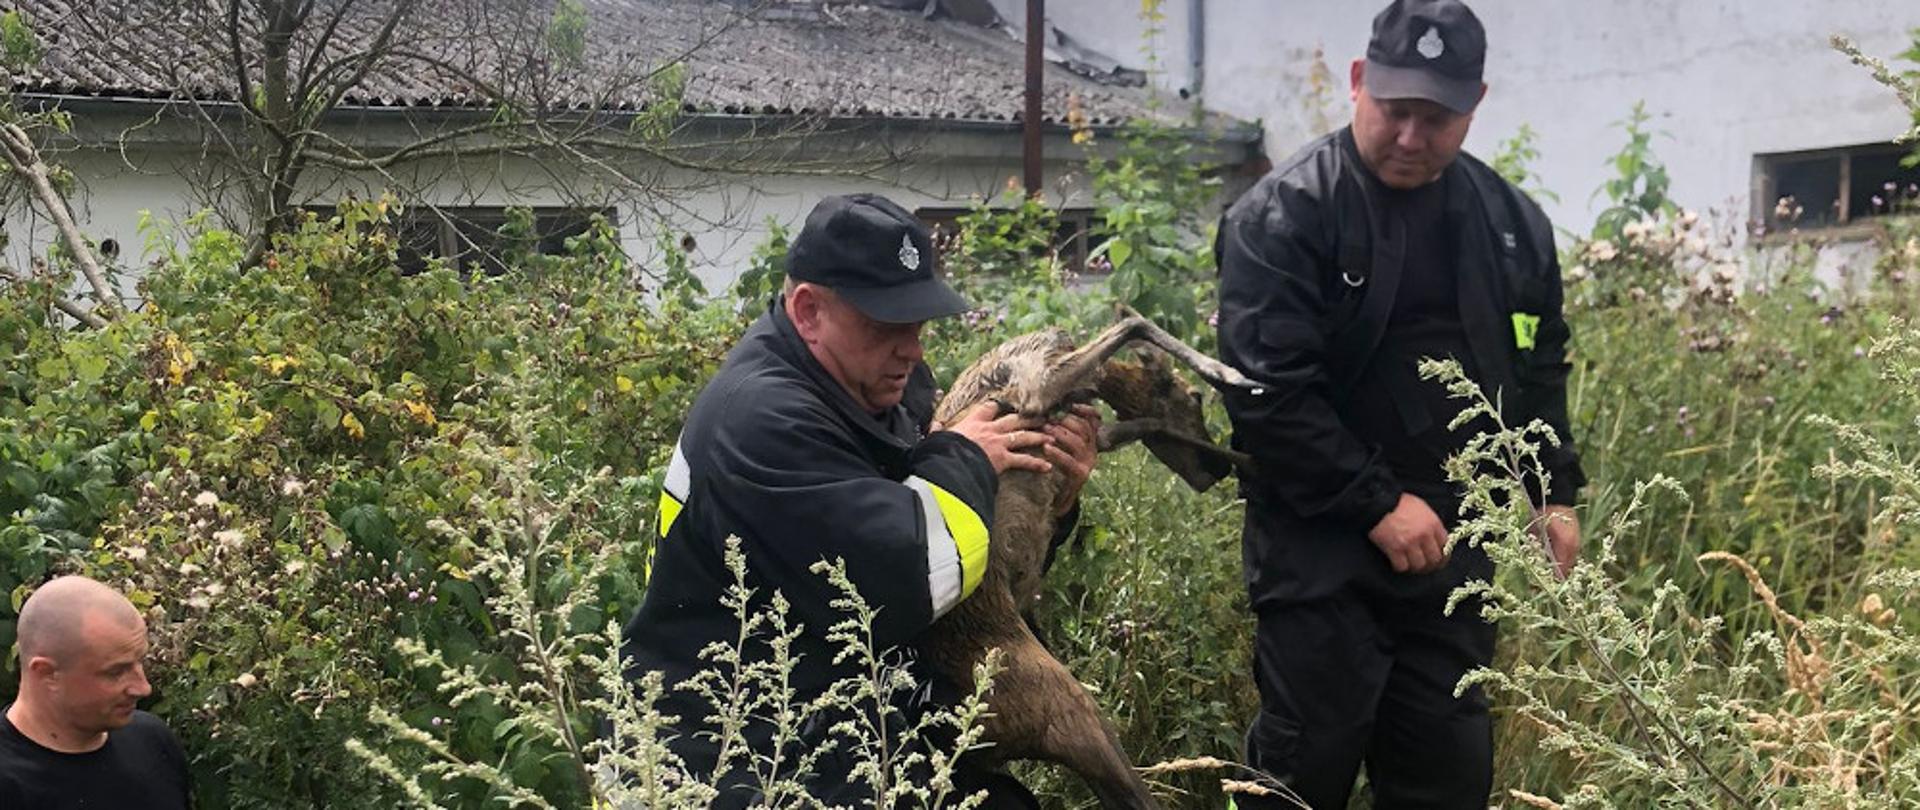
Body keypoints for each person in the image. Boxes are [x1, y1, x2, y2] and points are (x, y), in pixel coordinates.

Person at [1213, 1, 1586, 806]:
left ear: (1475, 105)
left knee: (1447, 777)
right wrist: (1376, 503)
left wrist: (1551, 489)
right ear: (1358, 82)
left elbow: (1539, 365)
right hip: (1320, 544)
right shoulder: (1283, 216)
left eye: (1437, 118)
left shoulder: (1514, 226)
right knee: (1300, 776)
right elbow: (1265, 394)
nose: (1412, 137)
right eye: (1395, 110)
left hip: (1456, 548)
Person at [620, 193, 1098, 808]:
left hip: (842, 721)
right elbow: (915, 580)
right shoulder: (762, 418)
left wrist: (1053, 501)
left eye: (918, 324)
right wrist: (965, 457)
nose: (913, 349)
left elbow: (974, 582)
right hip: (724, 755)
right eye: (886, 325)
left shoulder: (879, 388)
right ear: (808, 311)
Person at [1, 575, 191, 809]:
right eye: (116, 672)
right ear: (47, 673)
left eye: (140, 661)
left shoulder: (152, 742)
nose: (143, 688)